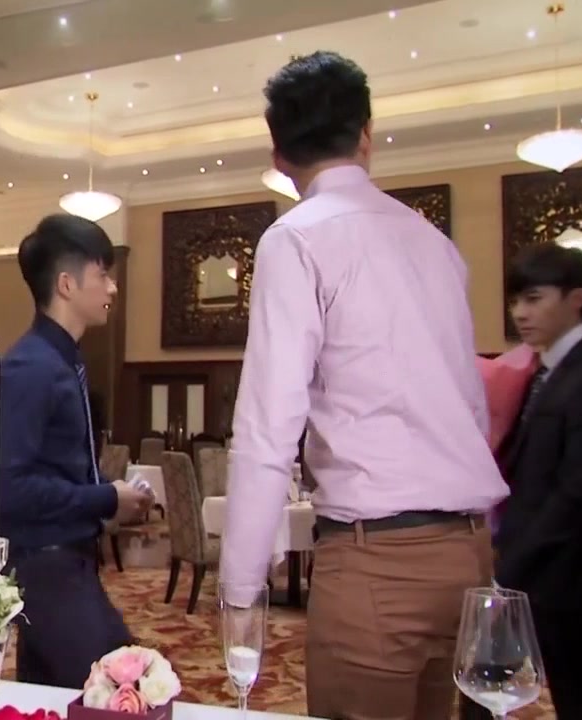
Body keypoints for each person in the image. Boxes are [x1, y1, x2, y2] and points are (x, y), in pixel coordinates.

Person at [217, 51, 509, 719]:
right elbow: (470, 405)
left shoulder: (295, 240)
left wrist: (240, 589)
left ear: (278, 156)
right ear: (367, 135)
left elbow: (268, 428)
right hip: (468, 556)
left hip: (375, 561)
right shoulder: (434, 243)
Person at [0, 213, 154, 688]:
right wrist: (106, 497)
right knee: (122, 691)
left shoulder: (62, 360)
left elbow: (57, 468)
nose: (112, 288)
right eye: (102, 274)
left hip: (71, 563)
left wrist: (109, 496)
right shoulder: (31, 367)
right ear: (66, 284)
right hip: (47, 568)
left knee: (53, 702)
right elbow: (10, 488)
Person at [483, 242, 582, 718]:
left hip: (567, 577)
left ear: (576, 298)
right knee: (481, 692)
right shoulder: (540, 371)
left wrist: (508, 567)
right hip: (523, 570)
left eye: (534, 298)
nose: (520, 313)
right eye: (515, 301)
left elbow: (577, 493)